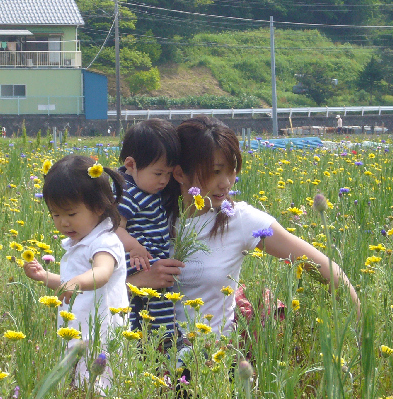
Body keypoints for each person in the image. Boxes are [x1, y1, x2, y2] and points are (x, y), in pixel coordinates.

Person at [128, 115, 359, 338]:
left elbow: (328, 270)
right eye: (216, 171)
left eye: (231, 170)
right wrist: (137, 283)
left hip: (211, 362)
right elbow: (95, 281)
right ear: (179, 173)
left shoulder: (239, 219)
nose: (226, 182)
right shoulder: (144, 215)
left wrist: (360, 334)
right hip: (146, 360)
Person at [23, 154, 128, 392]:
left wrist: (78, 282)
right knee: (77, 388)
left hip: (101, 335)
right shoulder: (79, 242)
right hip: (78, 332)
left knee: (97, 387)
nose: (63, 223)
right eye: (55, 215)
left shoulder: (104, 241)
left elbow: (102, 272)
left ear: (99, 207)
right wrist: (43, 277)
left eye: (71, 214)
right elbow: (70, 285)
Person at [115, 119, 181, 336]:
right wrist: (134, 247)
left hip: (150, 263)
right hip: (137, 263)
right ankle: (161, 341)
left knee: (156, 306)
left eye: (169, 174)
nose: (164, 180)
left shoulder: (147, 190)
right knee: (143, 311)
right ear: (131, 165)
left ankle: (164, 341)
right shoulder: (128, 192)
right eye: (158, 173)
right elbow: (114, 227)